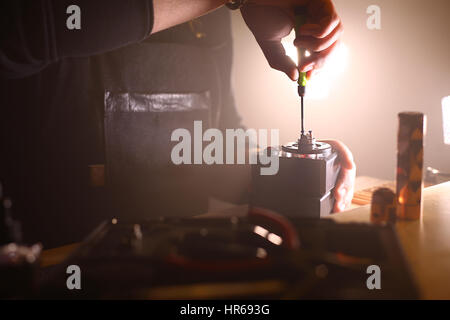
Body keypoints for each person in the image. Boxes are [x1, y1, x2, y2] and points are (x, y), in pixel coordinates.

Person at [0, 0, 354, 248]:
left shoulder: (212, 14)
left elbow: (213, 145)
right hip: (61, 263)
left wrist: (293, 169)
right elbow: (22, 34)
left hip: (182, 262)